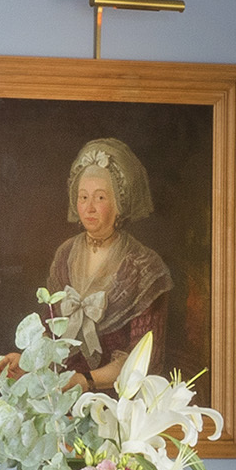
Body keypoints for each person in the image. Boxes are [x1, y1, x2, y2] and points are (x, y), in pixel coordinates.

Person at [44, 138, 175, 390]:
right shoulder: (65, 254)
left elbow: (143, 359)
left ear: (119, 204)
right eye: (83, 197)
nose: (89, 208)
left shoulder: (145, 266)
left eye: (100, 197)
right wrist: (27, 363)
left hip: (117, 399)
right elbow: (46, 327)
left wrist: (86, 381)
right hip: (60, 391)